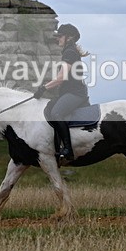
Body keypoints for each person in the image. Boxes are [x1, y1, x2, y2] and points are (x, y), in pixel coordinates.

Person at [36, 24, 90, 160]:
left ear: (69, 38)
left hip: (75, 94)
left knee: (56, 113)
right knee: (49, 108)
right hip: (69, 93)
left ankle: (68, 149)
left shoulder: (70, 52)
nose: (57, 39)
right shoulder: (69, 51)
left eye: (60, 36)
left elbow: (61, 78)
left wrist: (43, 88)